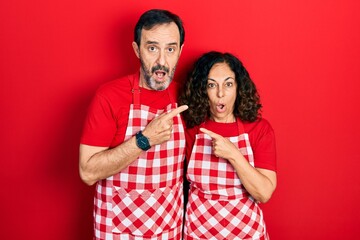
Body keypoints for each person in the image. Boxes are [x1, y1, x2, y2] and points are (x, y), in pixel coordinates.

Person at [79, 9, 188, 240]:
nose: (161, 61)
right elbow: (87, 172)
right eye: (152, 48)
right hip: (118, 232)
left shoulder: (186, 96)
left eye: (170, 49)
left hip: (168, 230)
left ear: (180, 51)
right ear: (137, 49)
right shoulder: (109, 96)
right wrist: (144, 139)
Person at [179, 51, 277, 240]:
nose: (220, 93)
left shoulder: (259, 129)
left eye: (228, 84)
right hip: (199, 233)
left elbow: (264, 193)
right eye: (211, 85)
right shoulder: (190, 129)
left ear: (238, 88)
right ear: (202, 89)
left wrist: (234, 155)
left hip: (245, 233)